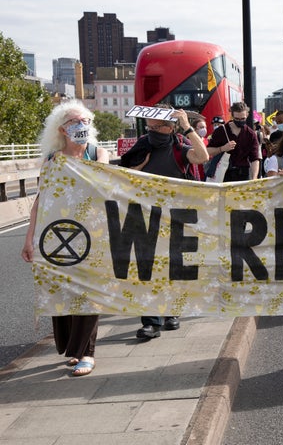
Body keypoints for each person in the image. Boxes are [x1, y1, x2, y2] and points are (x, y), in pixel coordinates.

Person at [22, 100, 110, 376]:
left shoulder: (98, 154)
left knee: (89, 292)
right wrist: (29, 238)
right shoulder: (51, 160)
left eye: (85, 121)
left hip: (93, 236)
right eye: (74, 122)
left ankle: (88, 352)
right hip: (59, 237)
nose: (81, 125)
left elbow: (104, 186)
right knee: (64, 291)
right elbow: (40, 201)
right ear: (62, 128)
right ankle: (75, 348)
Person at [120, 103, 209, 339]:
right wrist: (138, 166)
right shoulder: (141, 146)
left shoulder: (181, 146)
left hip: (175, 216)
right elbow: (124, 174)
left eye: (157, 126)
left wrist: (188, 127)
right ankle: (151, 321)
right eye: (149, 126)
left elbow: (202, 157)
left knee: (173, 267)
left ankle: (172, 312)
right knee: (148, 268)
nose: (151, 131)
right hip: (145, 215)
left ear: (170, 127)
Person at [206, 102, 261, 181]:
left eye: (243, 119)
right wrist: (222, 148)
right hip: (224, 173)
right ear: (232, 116)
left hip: (243, 174)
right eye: (237, 119)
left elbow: (255, 158)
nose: (240, 121)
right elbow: (208, 151)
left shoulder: (251, 134)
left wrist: (255, 177)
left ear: (247, 115)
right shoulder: (221, 131)